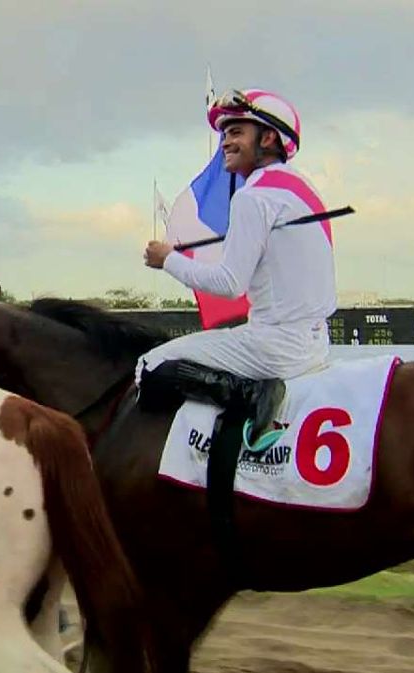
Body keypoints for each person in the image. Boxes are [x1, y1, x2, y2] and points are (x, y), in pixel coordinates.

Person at [136, 88, 336, 437]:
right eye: (225, 134)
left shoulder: (252, 197)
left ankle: (250, 394)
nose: (226, 143)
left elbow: (230, 284)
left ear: (269, 137)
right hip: (317, 343)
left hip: (274, 349)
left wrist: (169, 260)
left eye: (236, 132)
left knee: (149, 365)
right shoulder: (302, 188)